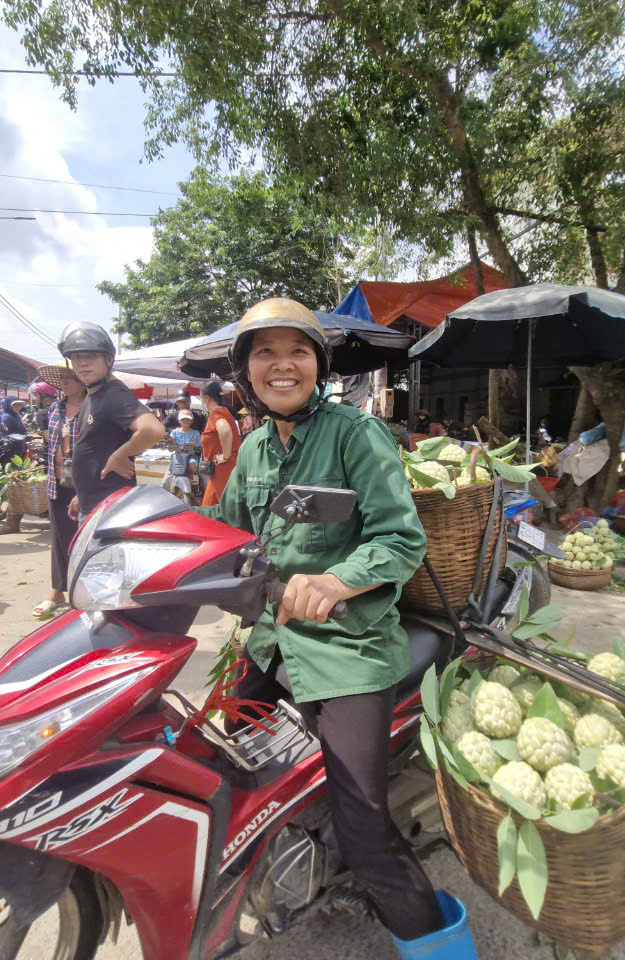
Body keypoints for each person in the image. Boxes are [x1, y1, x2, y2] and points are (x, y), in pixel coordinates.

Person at [196, 298, 469, 954]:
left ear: (318, 365)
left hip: (347, 643)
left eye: (298, 351)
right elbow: (229, 538)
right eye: (265, 352)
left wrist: (336, 580)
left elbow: (402, 539)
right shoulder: (256, 447)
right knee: (227, 769)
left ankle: (440, 945)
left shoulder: (356, 434)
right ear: (246, 370)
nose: (281, 364)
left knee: (363, 829)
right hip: (268, 636)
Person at [59, 322, 165, 519]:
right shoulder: (93, 394)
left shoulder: (113, 394)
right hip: (93, 504)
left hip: (109, 510)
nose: (82, 363)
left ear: (108, 359)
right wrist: (81, 495)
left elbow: (154, 429)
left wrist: (119, 456)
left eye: (90, 355)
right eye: (76, 357)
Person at [29, 365, 87, 612]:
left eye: (69, 379)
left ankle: (84, 590)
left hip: (85, 483)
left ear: (82, 382)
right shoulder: (55, 408)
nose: (64, 383)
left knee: (84, 537)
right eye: (61, 379)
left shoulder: (92, 408)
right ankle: (58, 590)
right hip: (57, 480)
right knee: (59, 536)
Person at [200, 379, 238, 506]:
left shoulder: (216, 413)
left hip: (223, 469)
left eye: (201, 398)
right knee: (209, 508)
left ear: (206, 398)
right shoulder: (223, 411)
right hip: (219, 469)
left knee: (229, 511)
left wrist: (225, 456)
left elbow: (225, 429)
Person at [163, 409, 203, 502]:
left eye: (188, 419)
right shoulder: (174, 433)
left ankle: (196, 486)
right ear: (179, 420)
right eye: (183, 419)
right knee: (167, 478)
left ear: (192, 420)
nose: (185, 421)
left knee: (193, 466)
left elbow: (200, 449)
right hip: (177, 458)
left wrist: (195, 446)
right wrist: (170, 443)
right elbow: (170, 449)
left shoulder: (195, 433)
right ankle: (166, 493)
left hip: (190, 457)